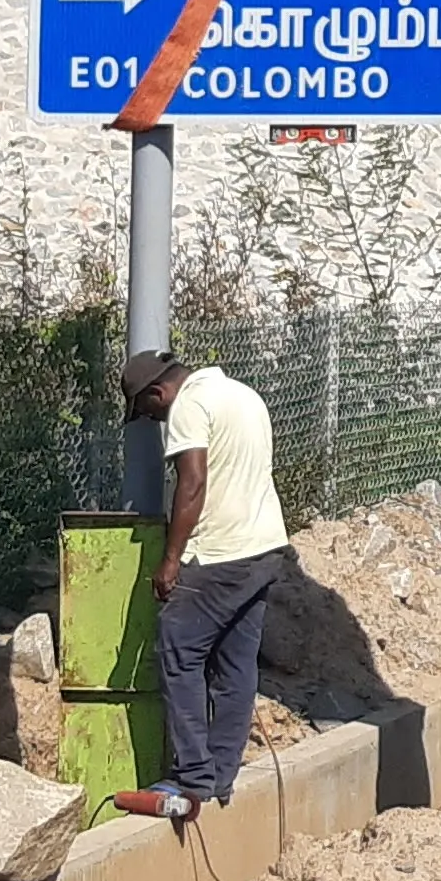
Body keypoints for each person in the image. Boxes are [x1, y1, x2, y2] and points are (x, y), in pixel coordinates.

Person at [108, 350, 289, 823]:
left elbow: (193, 481)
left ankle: (192, 774)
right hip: (264, 546)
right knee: (235, 661)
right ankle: (221, 773)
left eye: (150, 412)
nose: (155, 419)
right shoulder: (244, 395)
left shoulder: (190, 404)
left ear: (157, 392)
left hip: (220, 555)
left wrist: (170, 559)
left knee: (178, 649)